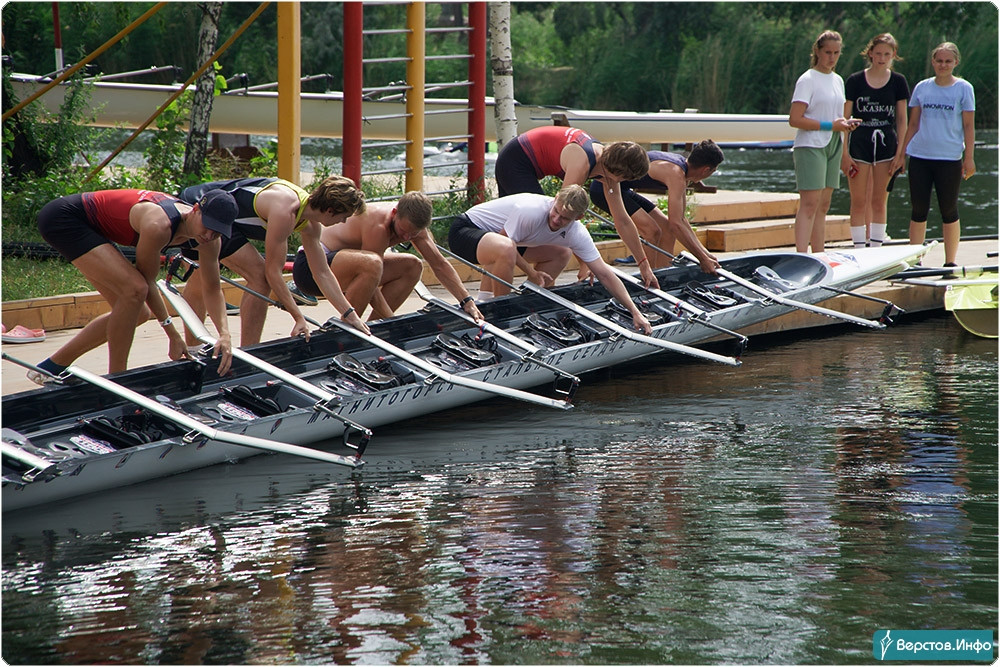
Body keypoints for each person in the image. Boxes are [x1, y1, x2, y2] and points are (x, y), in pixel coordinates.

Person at [28, 188, 237, 384]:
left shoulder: (209, 242)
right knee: (134, 290)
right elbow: (146, 283)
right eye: (207, 226)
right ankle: (118, 379)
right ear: (195, 209)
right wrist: (173, 334)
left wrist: (225, 335)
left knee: (139, 313)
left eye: (217, 232)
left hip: (94, 229)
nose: (209, 236)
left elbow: (212, 287)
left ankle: (51, 367)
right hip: (64, 218)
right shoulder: (159, 225)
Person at [177, 176, 372, 345]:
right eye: (344, 217)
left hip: (228, 220)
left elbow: (322, 272)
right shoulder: (285, 211)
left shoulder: (311, 224)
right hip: (201, 207)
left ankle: (207, 348)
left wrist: (350, 315)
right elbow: (273, 273)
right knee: (258, 278)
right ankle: (247, 352)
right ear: (330, 210)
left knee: (202, 279)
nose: (343, 222)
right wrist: (298, 317)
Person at [447, 184, 652, 334]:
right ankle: (500, 314)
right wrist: (531, 272)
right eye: (556, 211)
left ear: (578, 218)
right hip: (465, 231)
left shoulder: (577, 232)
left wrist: (635, 312)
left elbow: (605, 274)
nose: (556, 219)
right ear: (555, 199)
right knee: (506, 248)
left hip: (501, 243)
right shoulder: (530, 210)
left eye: (564, 218)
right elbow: (503, 245)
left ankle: (526, 301)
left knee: (562, 253)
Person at [494, 125, 659, 287]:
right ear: (619, 173)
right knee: (538, 229)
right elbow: (564, 209)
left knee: (524, 237)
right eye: (626, 179)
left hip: (525, 159)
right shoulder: (582, 162)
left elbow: (622, 220)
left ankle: (535, 290)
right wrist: (585, 262)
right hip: (516, 160)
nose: (624, 182)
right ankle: (512, 289)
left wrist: (643, 264)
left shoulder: (608, 164)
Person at [291, 191, 484, 323]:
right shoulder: (377, 226)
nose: (406, 237)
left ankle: (375, 326)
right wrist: (393, 321)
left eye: (413, 234)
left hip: (345, 267)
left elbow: (439, 264)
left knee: (413, 266)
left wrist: (467, 301)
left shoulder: (415, 228)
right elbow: (371, 278)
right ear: (394, 213)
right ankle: (350, 327)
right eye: (403, 230)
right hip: (310, 270)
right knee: (373, 265)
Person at [589, 141, 723, 273]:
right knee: (651, 231)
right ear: (706, 169)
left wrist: (705, 254)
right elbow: (676, 224)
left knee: (666, 229)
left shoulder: (682, 171)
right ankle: (649, 278)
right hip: (604, 188)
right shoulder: (676, 174)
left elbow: (681, 220)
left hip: (623, 190)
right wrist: (702, 259)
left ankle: (663, 274)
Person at [898, 42, 975, 266]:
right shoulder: (922, 87)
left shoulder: (964, 88)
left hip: (949, 158)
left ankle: (950, 262)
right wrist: (901, 154)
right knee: (918, 209)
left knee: (949, 209)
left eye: (948, 61)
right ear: (933, 62)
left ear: (955, 62)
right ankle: (915, 262)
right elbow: (913, 124)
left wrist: (969, 157)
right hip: (920, 156)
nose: (943, 65)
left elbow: (968, 125)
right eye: (939, 61)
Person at [788, 30, 861, 253]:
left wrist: (845, 126)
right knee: (810, 204)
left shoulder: (838, 80)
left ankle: (819, 255)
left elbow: (835, 117)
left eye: (836, 53)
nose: (832, 57)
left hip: (833, 144)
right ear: (817, 51)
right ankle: (802, 255)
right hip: (811, 145)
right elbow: (795, 119)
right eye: (828, 52)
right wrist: (831, 125)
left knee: (823, 205)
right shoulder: (807, 79)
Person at [842, 33, 910, 248]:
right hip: (859, 144)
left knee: (879, 201)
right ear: (870, 53)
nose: (882, 58)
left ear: (893, 55)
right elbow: (845, 119)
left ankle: (876, 248)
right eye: (878, 53)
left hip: (886, 145)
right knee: (859, 201)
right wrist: (844, 153)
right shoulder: (855, 81)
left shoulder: (898, 81)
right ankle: (859, 249)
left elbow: (902, 120)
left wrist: (901, 153)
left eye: (886, 54)